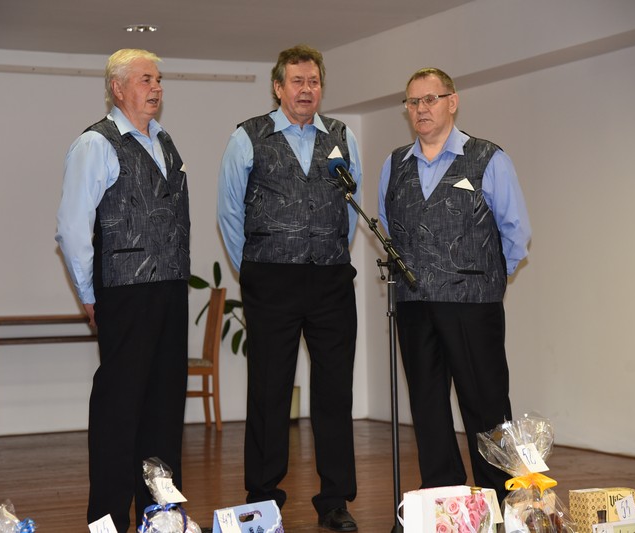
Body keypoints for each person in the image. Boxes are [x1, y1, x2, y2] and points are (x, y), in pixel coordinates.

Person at [217, 44, 362, 532]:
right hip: (270, 279)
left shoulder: (342, 136)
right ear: (278, 87)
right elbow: (229, 212)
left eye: (313, 81)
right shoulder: (247, 136)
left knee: (334, 393)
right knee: (269, 391)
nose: (306, 90)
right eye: (297, 81)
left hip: (331, 279)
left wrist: (325, 250)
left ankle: (336, 500)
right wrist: (256, 266)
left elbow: (350, 209)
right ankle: (262, 499)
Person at [378, 67, 531, 503]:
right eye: (413, 102)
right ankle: (441, 498)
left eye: (430, 99)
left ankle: (500, 500)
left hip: (473, 304)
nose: (421, 109)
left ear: (452, 101)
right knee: (426, 405)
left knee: (485, 404)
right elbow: (388, 223)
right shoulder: (394, 164)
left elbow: (516, 232)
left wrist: (485, 279)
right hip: (413, 304)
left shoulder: (488, 158)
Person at [55, 49, 190, 532]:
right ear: (117, 88)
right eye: (145, 79)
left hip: (171, 289)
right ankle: (107, 521)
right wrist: (89, 294)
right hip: (125, 292)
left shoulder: (164, 141)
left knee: (164, 410)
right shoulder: (96, 144)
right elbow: (72, 228)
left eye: (159, 79)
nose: (156, 87)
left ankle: (161, 516)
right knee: (119, 411)